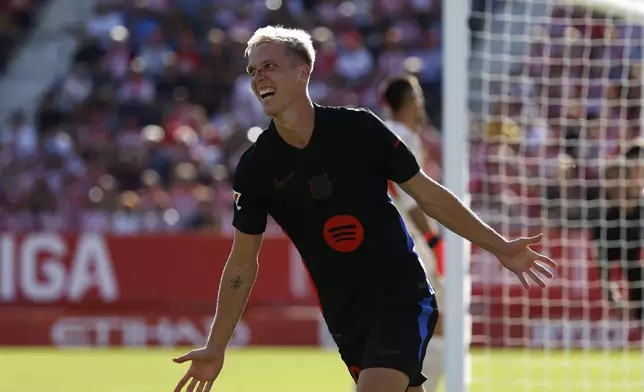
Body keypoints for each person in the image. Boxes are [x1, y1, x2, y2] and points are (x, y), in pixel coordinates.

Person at [172, 26, 557, 392]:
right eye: (253, 70)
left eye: (269, 66)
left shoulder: (360, 129)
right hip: (345, 314)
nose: (259, 78)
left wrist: (501, 246)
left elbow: (429, 195)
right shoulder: (256, 167)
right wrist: (217, 345)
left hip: (402, 293)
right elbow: (242, 262)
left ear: (303, 71)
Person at [380, 75, 446, 392]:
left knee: (388, 330)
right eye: (417, 96)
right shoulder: (404, 137)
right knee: (435, 322)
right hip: (410, 244)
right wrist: (434, 241)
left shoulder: (377, 132)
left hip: (381, 245)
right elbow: (412, 199)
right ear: (410, 100)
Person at [589, 141, 644, 327]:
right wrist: (615, 299)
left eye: (619, 178)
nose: (615, 186)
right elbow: (604, 270)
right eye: (610, 180)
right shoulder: (606, 224)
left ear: (631, 179)